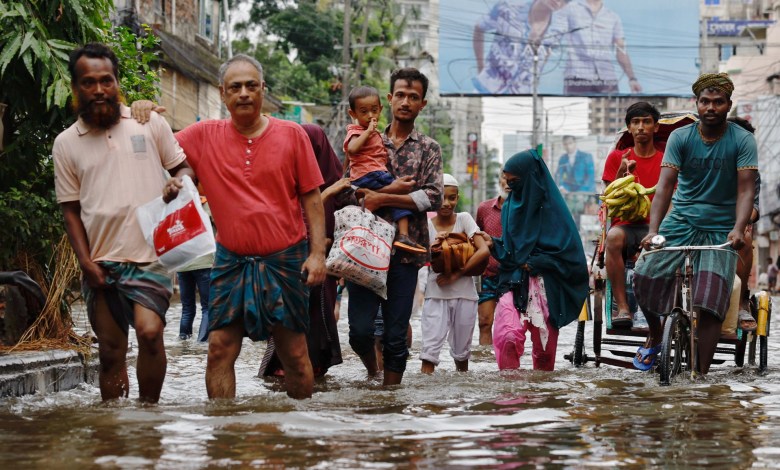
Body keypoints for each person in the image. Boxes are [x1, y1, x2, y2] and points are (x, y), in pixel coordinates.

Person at [164, 54, 328, 399]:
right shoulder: (204, 135)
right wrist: (144, 110)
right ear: (223, 93)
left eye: (251, 86)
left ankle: (301, 439)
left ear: (263, 90)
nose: (243, 93)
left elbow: (313, 198)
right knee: (219, 349)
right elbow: (161, 143)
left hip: (285, 260)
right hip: (231, 260)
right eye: (235, 87)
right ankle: (224, 436)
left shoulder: (292, 134)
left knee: (295, 355)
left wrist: (317, 255)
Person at [53, 43, 192, 403]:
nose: (99, 89)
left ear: (117, 83)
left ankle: (147, 417)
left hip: (150, 255)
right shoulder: (66, 143)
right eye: (88, 82)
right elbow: (70, 209)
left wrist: (178, 182)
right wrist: (86, 263)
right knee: (111, 353)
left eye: (106, 80)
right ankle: (114, 430)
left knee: (149, 334)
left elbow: (183, 166)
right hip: (101, 261)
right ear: (76, 87)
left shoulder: (149, 123)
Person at [633, 73, 758, 373]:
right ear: (697, 104)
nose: (711, 107)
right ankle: (654, 332)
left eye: (718, 102)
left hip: (720, 227)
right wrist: (653, 232)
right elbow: (664, 186)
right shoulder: (680, 137)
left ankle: (700, 377)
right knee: (643, 273)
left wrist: (739, 228)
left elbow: (745, 189)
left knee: (711, 300)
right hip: (680, 221)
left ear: (728, 105)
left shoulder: (742, 140)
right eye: (705, 102)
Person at [348, 67, 443, 386]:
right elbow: (350, 188)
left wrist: (380, 197)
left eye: (413, 97)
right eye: (400, 95)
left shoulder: (429, 148)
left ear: (422, 104)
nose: (405, 101)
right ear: (389, 99)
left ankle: (391, 398)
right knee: (359, 332)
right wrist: (376, 197)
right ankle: (372, 373)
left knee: (395, 335)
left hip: (406, 254)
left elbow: (434, 196)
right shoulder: (363, 137)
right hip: (363, 251)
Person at [483, 150, 589, 371]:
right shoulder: (510, 207)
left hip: (546, 287)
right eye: (508, 182)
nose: (511, 188)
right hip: (512, 282)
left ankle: (542, 401)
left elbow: (570, 257)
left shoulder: (555, 212)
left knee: (544, 353)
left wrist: (537, 262)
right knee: (508, 337)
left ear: (530, 178)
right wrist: (494, 244)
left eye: (516, 182)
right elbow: (511, 250)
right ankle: (509, 398)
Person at [259, 124, 348, 379]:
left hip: (325, 264)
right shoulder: (285, 179)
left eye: (309, 147)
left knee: (318, 316)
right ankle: (282, 368)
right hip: (288, 260)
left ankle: (314, 369)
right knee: (286, 317)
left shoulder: (339, 184)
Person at [601, 102, 663, 328]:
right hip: (625, 226)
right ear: (629, 128)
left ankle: (664, 308)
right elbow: (609, 197)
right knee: (614, 238)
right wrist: (621, 172)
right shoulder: (617, 157)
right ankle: (623, 306)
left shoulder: (666, 160)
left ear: (656, 127)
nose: (640, 127)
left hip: (657, 226)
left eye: (646, 121)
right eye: (635, 122)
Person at [420, 174, 489, 374]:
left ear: (457, 198)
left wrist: (456, 275)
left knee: (462, 356)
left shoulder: (465, 219)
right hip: (435, 296)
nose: (447, 203)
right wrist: (435, 247)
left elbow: (483, 250)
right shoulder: (427, 226)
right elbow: (422, 259)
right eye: (442, 197)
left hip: (466, 296)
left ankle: (460, 402)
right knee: (428, 355)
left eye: (452, 198)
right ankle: (428, 403)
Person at [344, 86, 425, 254]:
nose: (370, 116)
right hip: (369, 174)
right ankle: (403, 234)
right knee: (399, 195)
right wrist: (367, 132)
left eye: (374, 110)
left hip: (371, 175)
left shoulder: (378, 135)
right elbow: (351, 149)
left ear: (381, 109)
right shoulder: (356, 131)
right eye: (364, 112)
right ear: (353, 114)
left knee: (369, 207)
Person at [472, 0, 567, 94]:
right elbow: (479, 28)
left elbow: (547, 53)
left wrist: (535, 79)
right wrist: (480, 66)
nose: (558, 1)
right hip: (487, 88)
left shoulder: (558, 29)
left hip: (524, 96)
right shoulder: (507, 9)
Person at [549, 0, 642, 94]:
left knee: (611, 108)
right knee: (575, 107)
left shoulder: (612, 17)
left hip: (607, 79)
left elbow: (621, 50)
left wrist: (632, 78)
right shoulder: (570, 9)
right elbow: (554, 36)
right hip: (577, 78)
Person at [475, 173, 510, 345]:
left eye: (513, 179)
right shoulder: (484, 208)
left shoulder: (525, 210)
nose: (508, 183)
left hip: (512, 276)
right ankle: (485, 363)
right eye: (505, 178)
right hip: (488, 274)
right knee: (484, 322)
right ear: (500, 181)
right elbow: (477, 239)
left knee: (511, 326)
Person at [176, 251, 213, 342]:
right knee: (208, 307)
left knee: (187, 308)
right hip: (203, 263)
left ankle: (183, 339)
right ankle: (202, 341)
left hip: (183, 266)